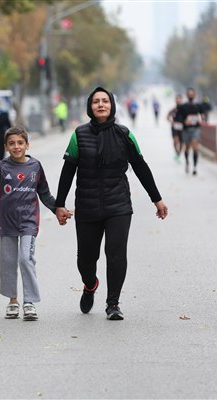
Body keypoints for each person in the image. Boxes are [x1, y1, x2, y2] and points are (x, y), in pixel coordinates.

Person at [55, 87, 168, 321]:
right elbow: (68, 171)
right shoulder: (79, 135)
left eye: (105, 101)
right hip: (87, 206)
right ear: (90, 107)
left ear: (112, 105)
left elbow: (140, 167)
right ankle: (90, 285)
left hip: (118, 205)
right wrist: (59, 204)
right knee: (86, 259)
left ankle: (113, 303)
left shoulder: (125, 134)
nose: (101, 105)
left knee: (116, 254)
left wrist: (156, 199)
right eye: (96, 101)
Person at [0, 126, 64, 321]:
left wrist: (57, 209)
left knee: (25, 259)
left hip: (29, 221)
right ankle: (13, 300)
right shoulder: (1, 167)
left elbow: (44, 193)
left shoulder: (35, 166)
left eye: (20, 143)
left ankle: (29, 302)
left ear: (27, 145)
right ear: (6, 146)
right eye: (12, 143)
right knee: (8, 261)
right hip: (6, 222)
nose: (16, 147)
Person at [176, 87, 205, 175]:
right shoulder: (183, 107)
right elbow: (178, 117)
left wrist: (202, 117)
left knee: (195, 147)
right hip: (186, 130)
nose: (191, 96)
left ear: (194, 95)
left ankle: (195, 167)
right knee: (187, 148)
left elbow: (202, 114)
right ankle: (187, 162)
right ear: (187, 95)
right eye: (189, 94)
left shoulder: (198, 105)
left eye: (192, 94)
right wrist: (184, 121)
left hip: (196, 129)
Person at [167, 94, 184, 162]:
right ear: (175, 100)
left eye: (179, 99)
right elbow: (167, 117)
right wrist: (171, 121)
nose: (178, 100)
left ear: (181, 100)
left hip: (182, 128)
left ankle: (179, 154)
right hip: (174, 127)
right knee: (175, 141)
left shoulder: (184, 109)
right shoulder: (173, 110)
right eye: (177, 99)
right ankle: (177, 153)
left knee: (181, 142)